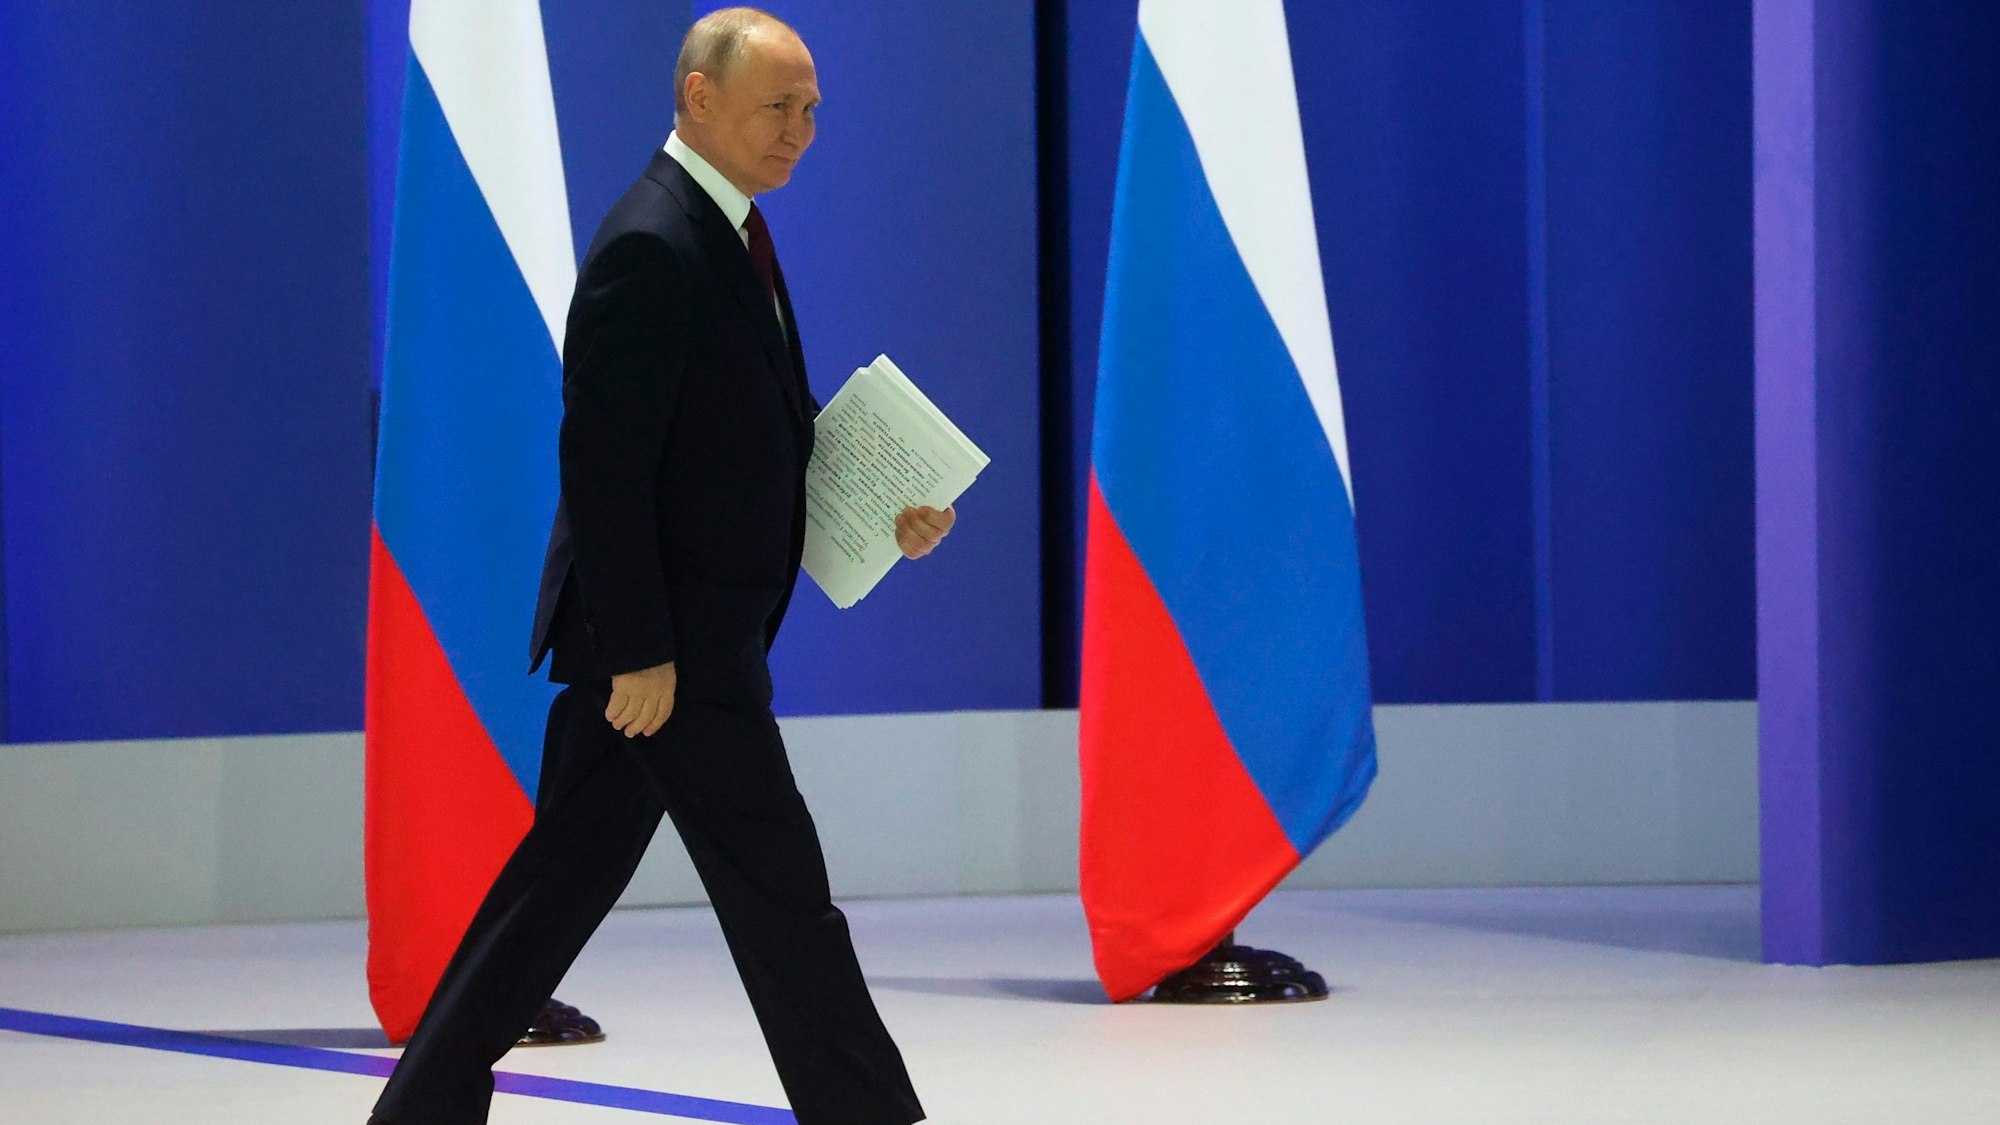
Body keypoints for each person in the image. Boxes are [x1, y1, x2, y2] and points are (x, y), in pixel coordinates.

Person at [369, 9, 945, 1123]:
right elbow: (603, 465)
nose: (800, 129)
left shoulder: (724, 228)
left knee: (552, 893)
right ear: (698, 96)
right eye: (778, 105)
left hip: (680, 646)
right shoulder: (654, 240)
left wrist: (887, 511)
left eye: (812, 109)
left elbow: (748, 432)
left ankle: (419, 1110)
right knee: (785, 903)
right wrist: (638, 651)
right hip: (671, 656)